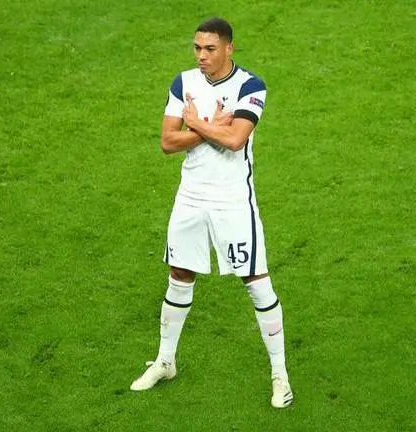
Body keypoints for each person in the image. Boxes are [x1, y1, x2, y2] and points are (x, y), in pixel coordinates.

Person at [130, 17, 293, 409]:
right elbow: (168, 143)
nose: (201, 56)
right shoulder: (182, 82)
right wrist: (206, 127)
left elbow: (236, 139)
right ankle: (166, 361)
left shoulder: (251, 86)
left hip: (232, 200)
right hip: (190, 197)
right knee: (180, 274)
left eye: (210, 49)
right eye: (197, 48)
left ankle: (280, 375)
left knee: (256, 281)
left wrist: (195, 124)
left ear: (229, 49)